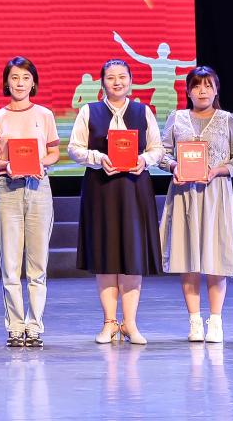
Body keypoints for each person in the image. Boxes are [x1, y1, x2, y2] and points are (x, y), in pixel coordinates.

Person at [68, 59, 163, 345]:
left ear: (131, 80)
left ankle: (129, 323)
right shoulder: (89, 111)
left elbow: (157, 148)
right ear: (102, 82)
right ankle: (109, 322)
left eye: (122, 77)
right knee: (106, 255)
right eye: (111, 77)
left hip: (134, 188)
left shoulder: (143, 111)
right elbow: (74, 148)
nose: (117, 82)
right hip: (101, 188)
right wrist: (98, 158)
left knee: (133, 256)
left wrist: (144, 160)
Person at [159, 66, 233, 343]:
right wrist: (174, 165)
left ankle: (216, 321)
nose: (202, 91)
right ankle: (194, 322)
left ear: (216, 90)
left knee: (215, 258)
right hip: (183, 194)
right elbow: (161, 154)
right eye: (197, 86)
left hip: (215, 194)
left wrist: (218, 171)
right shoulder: (176, 118)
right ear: (188, 91)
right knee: (188, 258)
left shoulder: (228, 119)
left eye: (208, 85)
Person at [0, 57, 60, 348]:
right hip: (9, 190)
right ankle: (15, 326)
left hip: (38, 189)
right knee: (11, 264)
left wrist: (40, 163)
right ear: (6, 82)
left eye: (25, 78)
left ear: (33, 83)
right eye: (14, 77)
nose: (19, 83)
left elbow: (54, 153)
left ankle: (35, 325)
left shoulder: (45, 114)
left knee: (38, 263)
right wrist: (7, 165)